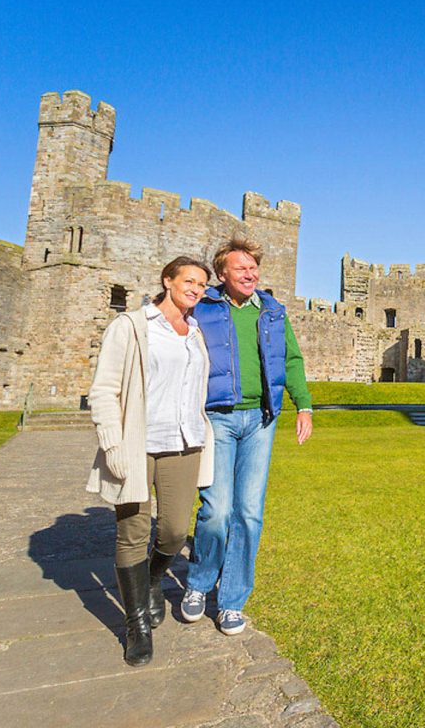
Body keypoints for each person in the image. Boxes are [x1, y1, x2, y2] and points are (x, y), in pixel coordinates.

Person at [181, 236, 313, 636]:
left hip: (261, 420)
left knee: (249, 513)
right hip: (218, 418)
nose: (250, 274)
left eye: (254, 268)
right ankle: (200, 583)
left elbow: (290, 358)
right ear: (222, 274)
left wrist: (303, 404)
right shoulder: (202, 308)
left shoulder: (273, 310)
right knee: (216, 511)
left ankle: (232, 600)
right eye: (242, 268)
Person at [87, 256, 215, 666]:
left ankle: (153, 580)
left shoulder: (195, 332)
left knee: (176, 532)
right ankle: (136, 624)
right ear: (168, 280)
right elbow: (104, 388)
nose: (195, 289)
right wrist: (112, 443)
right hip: (137, 443)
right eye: (189, 281)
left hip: (184, 442)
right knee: (132, 533)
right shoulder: (132, 326)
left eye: (202, 285)